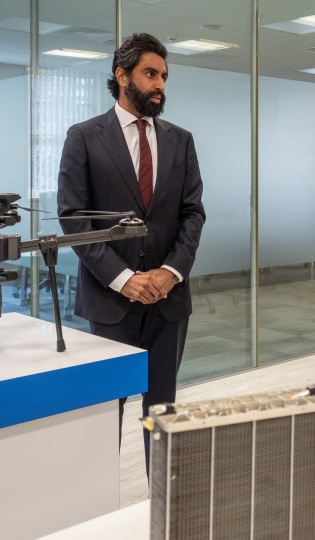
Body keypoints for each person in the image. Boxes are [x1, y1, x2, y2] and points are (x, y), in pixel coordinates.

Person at [57, 33, 205, 471]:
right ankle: (98, 508)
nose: (160, 84)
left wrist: (170, 272)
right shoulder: (84, 137)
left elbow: (192, 214)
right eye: (150, 74)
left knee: (161, 413)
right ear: (122, 76)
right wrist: (124, 279)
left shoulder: (181, 140)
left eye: (163, 76)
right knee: (107, 410)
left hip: (169, 302)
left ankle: (158, 508)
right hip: (110, 301)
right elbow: (73, 217)